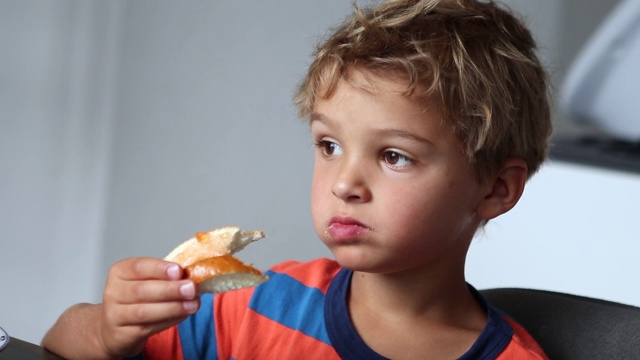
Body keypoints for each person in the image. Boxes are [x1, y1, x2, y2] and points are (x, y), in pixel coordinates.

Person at [41, 0, 552, 358]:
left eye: (394, 156)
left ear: (496, 189)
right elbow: (58, 343)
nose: (344, 182)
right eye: (329, 146)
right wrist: (108, 330)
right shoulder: (255, 308)